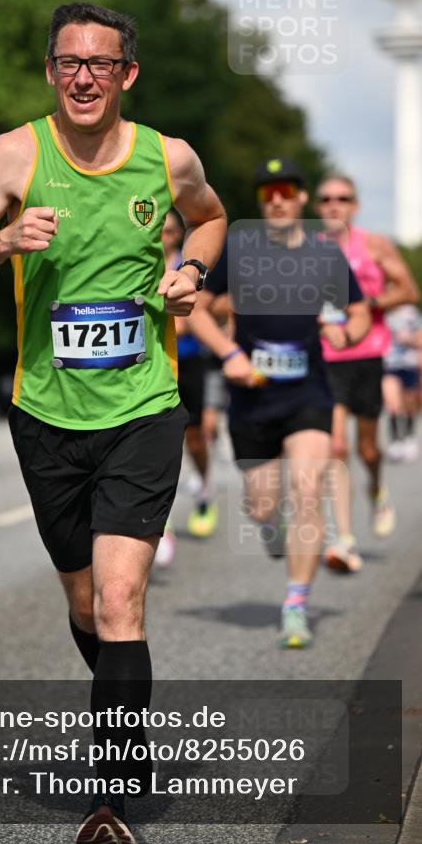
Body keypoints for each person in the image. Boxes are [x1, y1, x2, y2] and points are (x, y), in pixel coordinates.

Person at [0, 2, 226, 844]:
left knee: (118, 596)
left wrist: (193, 268)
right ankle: (126, 701)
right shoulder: (14, 154)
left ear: (126, 74)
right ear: (51, 70)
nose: (84, 77)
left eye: (100, 64)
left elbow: (209, 215)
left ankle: (111, 803)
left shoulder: (167, 158)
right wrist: (3, 244)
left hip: (142, 405)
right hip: (45, 411)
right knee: (85, 605)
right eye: (68, 62)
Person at [192, 158, 370, 649]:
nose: (277, 199)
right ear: (260, 200)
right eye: (267, 191)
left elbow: (357, 314)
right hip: (251, 398)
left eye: (286, 190)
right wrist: (228, 353)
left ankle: (295, 603)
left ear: (301, 198)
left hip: (308, 395)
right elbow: (198, 311)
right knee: (262, 504)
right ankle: (273, 525)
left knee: (308, 488)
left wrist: (345, 331)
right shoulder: (239, 252)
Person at [314, 175, 419, 570]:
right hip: (326, 356)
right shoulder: (309, 250)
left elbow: (409, 291)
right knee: (336, 446)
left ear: (355, 205)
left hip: (368, 355)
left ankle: (376, 488)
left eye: (343, 198)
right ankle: (344, 538)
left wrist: (367, 301)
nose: (334, 205)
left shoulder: (373, 245)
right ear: (318, 207)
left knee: (368, 449)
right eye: (326, 199)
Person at [155, 210, 221, 568]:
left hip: (191, 363)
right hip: (151, 364)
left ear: (180, 233)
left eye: (169, 230)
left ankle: (205, 487)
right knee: (155, 442)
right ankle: (157, 520)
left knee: (195, 439)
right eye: (158, 230)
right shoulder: (137, 261)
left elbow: (206, 311)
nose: (163, 236)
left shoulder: (193, 266)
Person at [382, 303, 422, 463]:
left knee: (409, 404)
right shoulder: (383, 314)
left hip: (409, 363)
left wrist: (409, 338)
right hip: (389, 364)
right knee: (392, 404)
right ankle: (395, 440)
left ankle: (409, 436)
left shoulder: (411, 313)